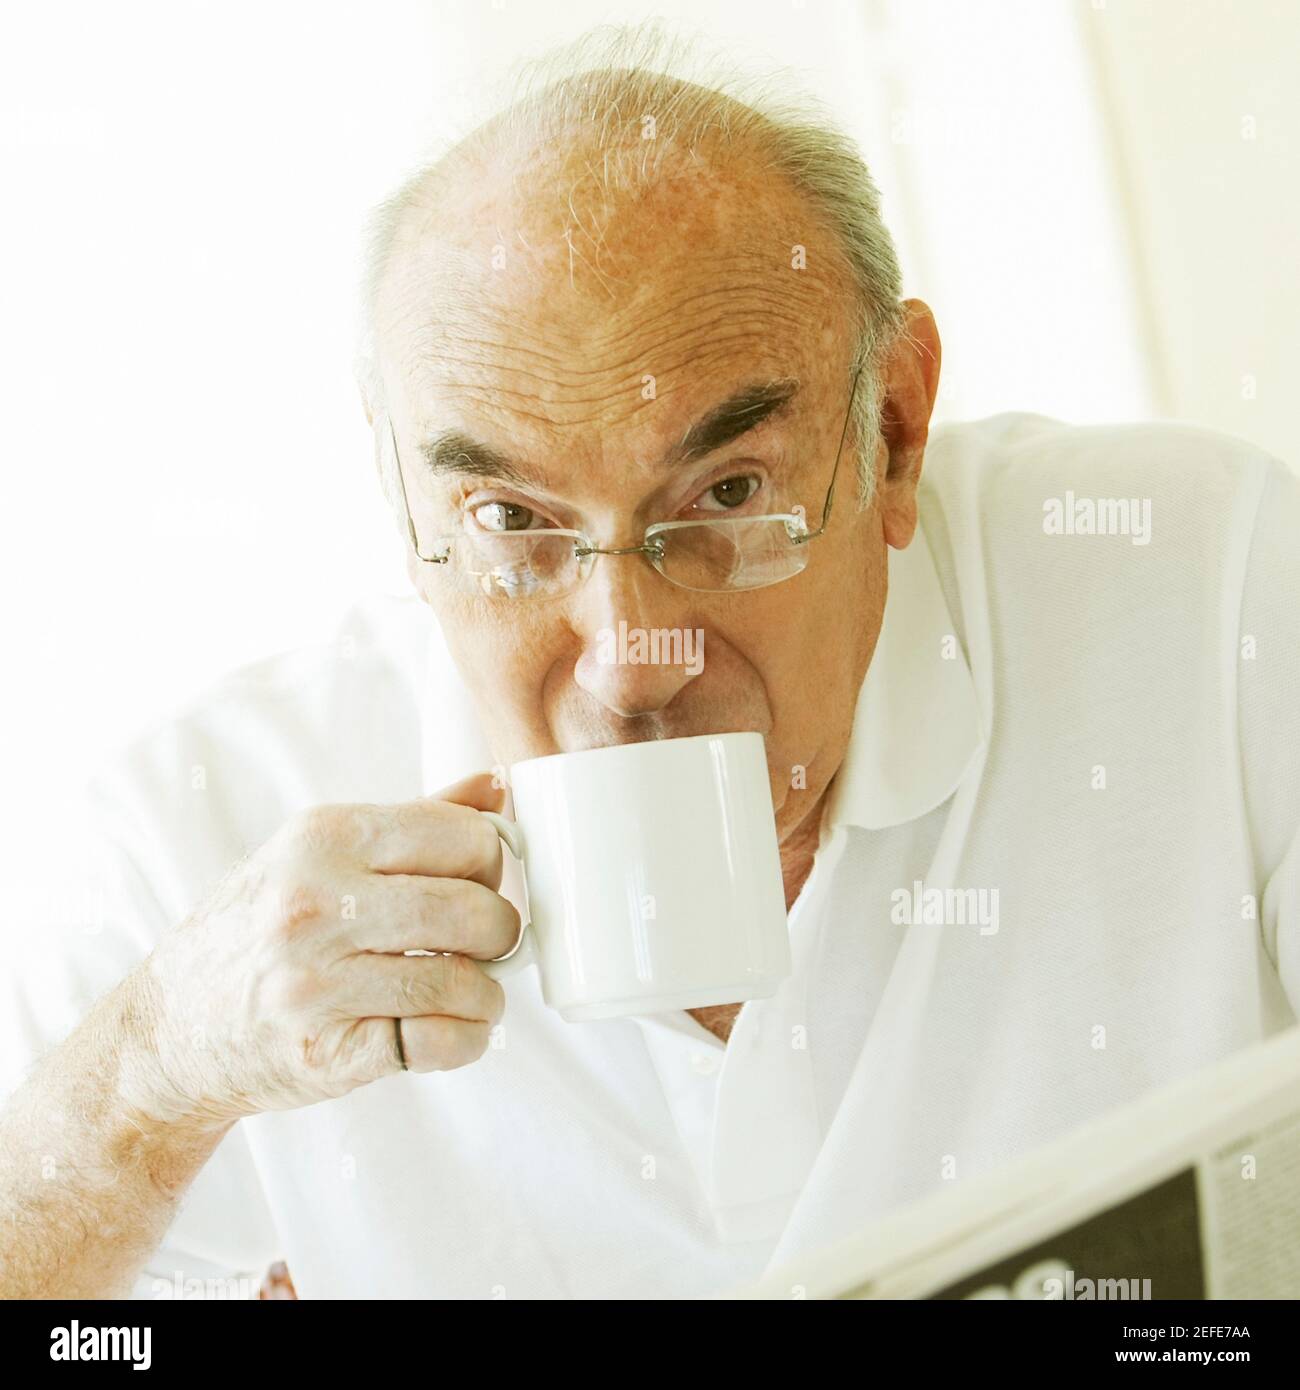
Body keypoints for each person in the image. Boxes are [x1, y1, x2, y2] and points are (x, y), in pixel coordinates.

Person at [2, 24, 1297, 1300]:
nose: (631, 660)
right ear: (405, 504)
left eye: (727, 493)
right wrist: (147, 1083)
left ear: (892, 430)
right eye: (513, 522)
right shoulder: (196, 832)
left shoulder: (1207, 589)